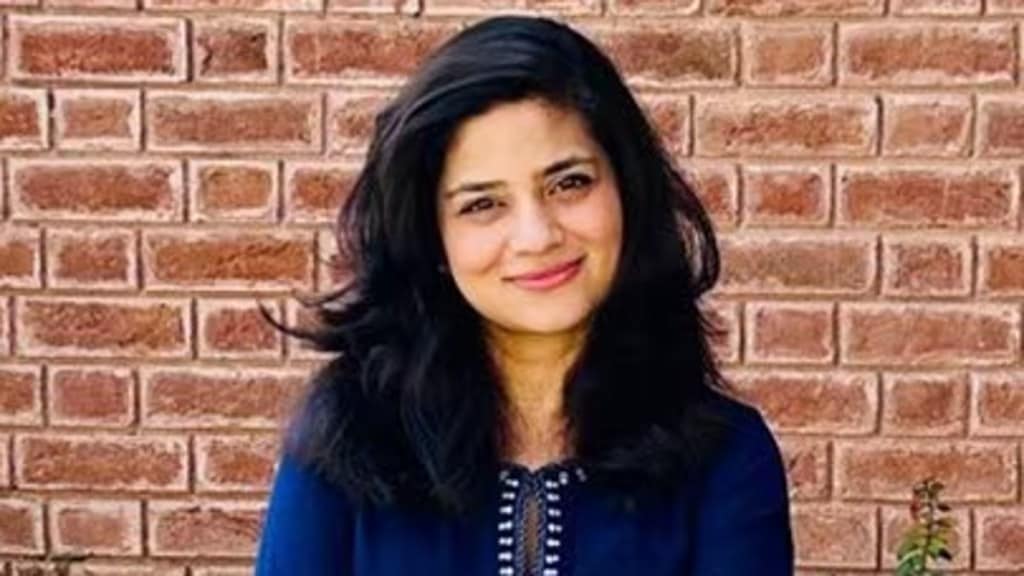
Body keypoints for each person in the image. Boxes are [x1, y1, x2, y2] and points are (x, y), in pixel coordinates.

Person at [255, 14, 793, 575]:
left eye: (569, 183)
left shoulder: (725, 459)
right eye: (483, 204)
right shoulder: (344, 443)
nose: (537, 236)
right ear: (432, 238)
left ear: (627, 190)